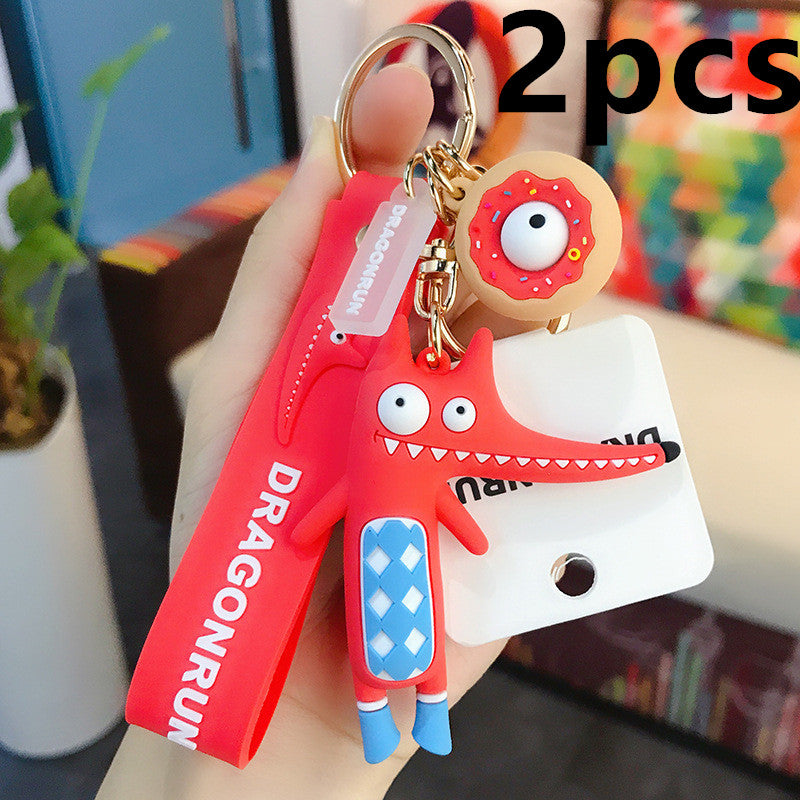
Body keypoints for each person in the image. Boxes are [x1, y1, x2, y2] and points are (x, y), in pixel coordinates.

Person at [97, 63, 509, 799]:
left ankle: (408, 713)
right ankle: (397, 714)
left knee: (399, 671)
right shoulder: (373, 231)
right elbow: (338, 511)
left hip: (366, 580)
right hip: (314, 594)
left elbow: (392, 513)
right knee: (390, 673)